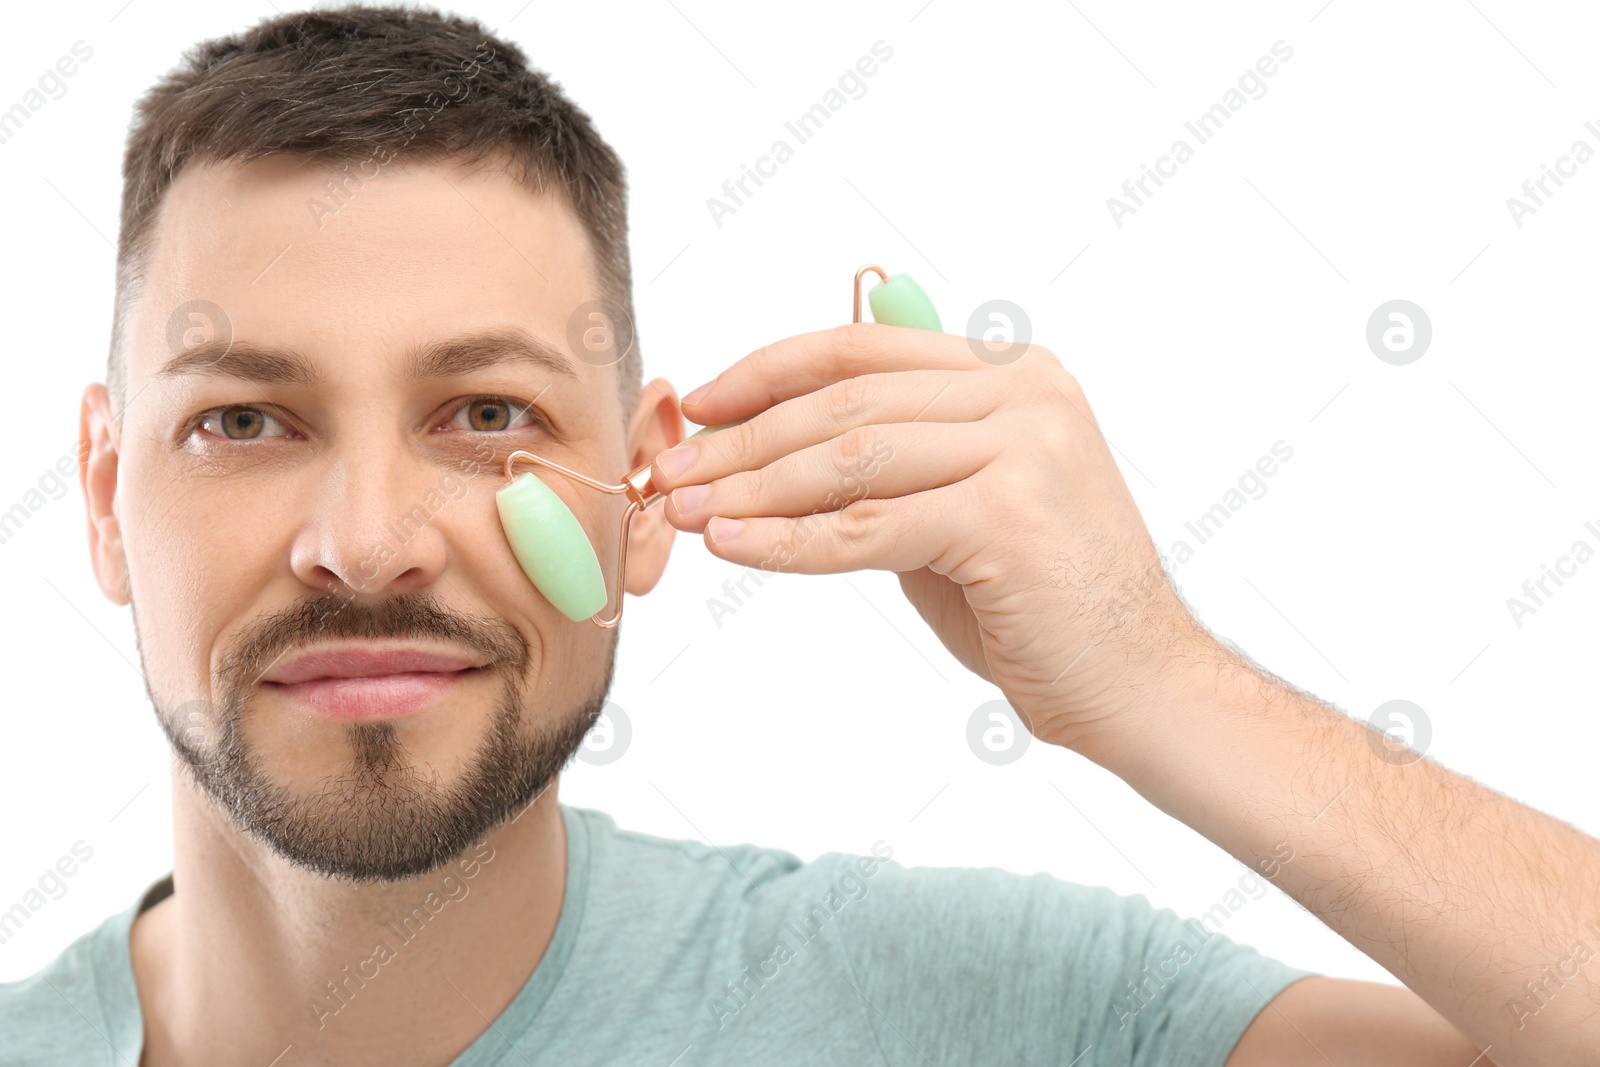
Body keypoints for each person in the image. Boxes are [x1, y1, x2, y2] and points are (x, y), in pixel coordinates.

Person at [3, 5, 1593, 1065]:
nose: (364, 544)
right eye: (243, 421)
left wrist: (1155, 676)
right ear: (102, 497)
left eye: (487, 415)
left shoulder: (971, 1009)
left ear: (642, 497)